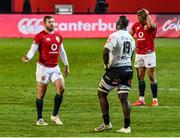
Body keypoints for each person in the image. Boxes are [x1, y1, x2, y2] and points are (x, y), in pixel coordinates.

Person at [22, 15, 69, 126]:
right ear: (45, 23)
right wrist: (28, 57)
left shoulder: (58, 35)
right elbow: (32, 50)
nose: (52, 23)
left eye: (53, 22)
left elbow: (62, 51)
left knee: (61, 89)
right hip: (43, 68)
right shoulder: (39, 36)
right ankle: (39, 119)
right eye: (49, 22)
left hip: (55, 67)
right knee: (41, 94)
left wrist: (66, 64)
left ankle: (55, 115)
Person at [95, 16, 135, 133]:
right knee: (124, 98)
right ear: (126, 25)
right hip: (128, 69)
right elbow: (132, 53)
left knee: (101, 93)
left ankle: (107, 123)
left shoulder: (114, 35)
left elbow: (106, 51)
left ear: (118, 23)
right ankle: (127, 127)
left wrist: (106, 65)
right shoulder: (131, 38)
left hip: (116, 69)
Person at [130, 9, 158, 106]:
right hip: (139, 54)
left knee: (151, 76)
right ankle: (141, 99)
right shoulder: (136, 25)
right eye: (137, 17)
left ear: (144, 18)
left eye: (139, 17)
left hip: (149, 54)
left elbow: (154, 26)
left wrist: (148, 14)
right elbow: (129, 35)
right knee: (140, 77)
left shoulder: (150, 25)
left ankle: (155, 99)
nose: (138, 19)